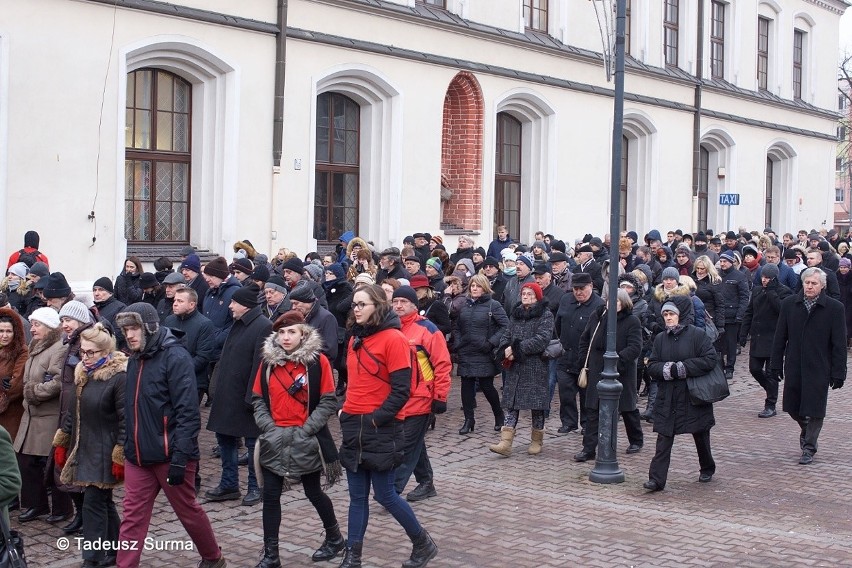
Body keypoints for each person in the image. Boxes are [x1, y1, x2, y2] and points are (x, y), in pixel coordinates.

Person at [114, 302, 226, 568]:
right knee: (132, 517)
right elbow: (131, 410)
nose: (129, 335)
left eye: (134, 328)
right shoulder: (134, 360)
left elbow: (188, 413)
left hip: (170, 454)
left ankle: (213, 557)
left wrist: (180, 458)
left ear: (149, 327)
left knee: (187, 510)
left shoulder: (175, 358)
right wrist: (126, 444)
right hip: (138, 456)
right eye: (126, 329)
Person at [337, 284, 437, 568]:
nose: (355, 309)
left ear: (378, 307)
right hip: (353, 424)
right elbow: (355, 381)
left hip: (380, 426)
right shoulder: (355, 337)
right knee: (357, 496)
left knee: (385, 495)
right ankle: (352, 556)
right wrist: (346, 408)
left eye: (362, 304)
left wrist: (377, 418)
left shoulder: (394, 339)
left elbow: (401, 390)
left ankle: (423, 542)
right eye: (354, 304)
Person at [251, 310, 343, 567]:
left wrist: (306, 430)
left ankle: (335, 537)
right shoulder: (267, 363)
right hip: (274, 438)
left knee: (313, 492)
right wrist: (268, 427)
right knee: (270, 496)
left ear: (303, 333)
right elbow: (258, 399)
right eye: (281, 332)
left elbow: (327, 401)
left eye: (291, 332)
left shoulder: (318, 362)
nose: (286, 337)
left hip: (306, 439)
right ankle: (271, 555)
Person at [52, 323, 126, 568]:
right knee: (103, 502)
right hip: (84, 447)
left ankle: (91, 558)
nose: (84, 357)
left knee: (94, 503)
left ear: (105, 351)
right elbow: (73, 410)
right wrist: (63, 438)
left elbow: (126, 419)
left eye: (91, 352)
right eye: (82, 352)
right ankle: (116, 549)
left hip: (106, 449)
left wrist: (119, 453)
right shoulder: (83, 372)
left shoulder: (119, 377)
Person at [770, 268, 847, 465]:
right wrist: (775, 364)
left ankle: (809, 447)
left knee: (815, 408)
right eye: (807, 283)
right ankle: (806, 430)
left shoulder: (835, 308)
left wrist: (839, 372)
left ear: (822, 286)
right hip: (795, 364)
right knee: (792, 406)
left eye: (814, 283)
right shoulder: (789, 304)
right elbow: (780, 337)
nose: (810, 286)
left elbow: (839, 344)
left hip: (820, 365)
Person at [205, 286, 271, 507]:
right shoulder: (239, 324)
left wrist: (252, 397)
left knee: (253, 445)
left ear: (246, 305)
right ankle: (229, 484)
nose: (230, 306)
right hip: (227, 394)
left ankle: (255, 487)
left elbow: (260, 365)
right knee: (225, 440)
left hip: (246, 397)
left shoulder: (263, 326)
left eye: (234, 302)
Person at [643, 302, 718, 492]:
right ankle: (656, 479)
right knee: (664, 438)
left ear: (681, 315)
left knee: (700, 434)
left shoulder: (697, 335)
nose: (668, 318)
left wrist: (683, 368)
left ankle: (707, 467)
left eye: (672, 314)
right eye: (665, 314)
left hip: (693, 395)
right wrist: (667, 369)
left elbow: (710, 359)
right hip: (668, 397)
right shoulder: (660, 338)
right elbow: (652, 365)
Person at [391, 286, 451, 501]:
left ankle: (391, 491)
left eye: (403, 302)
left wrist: (440, 396)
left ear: (414, 305)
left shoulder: (428, 329)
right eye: (395, 301)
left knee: (406, 445)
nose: (398, 305)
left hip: (421, 399)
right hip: (397, 399)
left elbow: (442, 364)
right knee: (415, 443)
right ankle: (426, 482)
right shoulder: (390, 328)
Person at [14, 307, 72, 523]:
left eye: (37, 324)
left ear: (49, 327)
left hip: (47, 416)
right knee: (27, 462)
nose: (33, 328)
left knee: (51, 465)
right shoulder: (36, 346)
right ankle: (35, 505)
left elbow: (58, 381)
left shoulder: (58, 348)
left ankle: (62, 509)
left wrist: (33, 392)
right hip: (31, 416)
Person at [574, 289, 644, 462]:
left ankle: (636, 440)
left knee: (627, 409)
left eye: (617, 301)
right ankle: (588, 448)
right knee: (592, 410)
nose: (612, 305)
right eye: (610, 301)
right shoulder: (597, 317)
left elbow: (635, 347)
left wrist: (617, 362)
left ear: (624, 302)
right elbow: (585, 340)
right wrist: (586, 360)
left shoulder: (631, 321)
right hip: (597, 369)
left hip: (621, 371)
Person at [489, 282, 553, 457]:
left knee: (536, 405)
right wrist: (505, 349)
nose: (525, 296)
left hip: (535, 366)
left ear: (537, 297)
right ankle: (506, 442)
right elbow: (506, 334)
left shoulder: (545, 315)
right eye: (524, 293)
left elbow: (542, 339)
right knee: (511, 404)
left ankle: (536, 440)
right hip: (514, 367)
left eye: (530, 294)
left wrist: (516, 349)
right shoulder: (516, 314)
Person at [55, 300, 96, 535]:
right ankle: (80, 515)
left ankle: (86, 517)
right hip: (67, 413)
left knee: (81, 471)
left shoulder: (86, 344)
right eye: (61, 320)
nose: (64, 325)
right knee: (66, 468)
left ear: (80, 321)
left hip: (84, 415)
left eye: (68, 320)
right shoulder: (70, 343)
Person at [454, 275, 508, 435]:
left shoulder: (494, 305)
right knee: (466, 386)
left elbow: (505, 326)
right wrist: (458, 343)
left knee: (487, 386)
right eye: (472, 286)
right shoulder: (465, 305)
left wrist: (491, 342)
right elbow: (457, 327)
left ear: (485, 287)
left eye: (478, 286)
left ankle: (499, 415)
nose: (475, 289)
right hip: (466, 351)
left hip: (484, 352)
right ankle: (468, 419)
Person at [739, 263, 793, 418]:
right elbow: (749, 312)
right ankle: (771, 390)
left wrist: (771, 292)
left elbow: (782, 309)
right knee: (754, 369)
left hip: (774, 338)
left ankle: (770, 404)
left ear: (775, 278)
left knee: (771, 373)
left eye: (768, 278)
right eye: (763, 276)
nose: (764, 280)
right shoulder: (756, 290)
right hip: (757, 336)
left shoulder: (784, 291)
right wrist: (743, 333)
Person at [555, 272, 604, 434]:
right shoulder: (565, 300)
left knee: (586, 393)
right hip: (565, 355)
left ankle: (586, 423)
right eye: (575, 289)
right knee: (565, 392)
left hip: (587, 359)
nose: (578, 292)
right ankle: (568, 422)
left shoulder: (599, 305)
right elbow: (558, 325)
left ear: (591, 286)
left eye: (582, 288)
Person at [164, 288, 216, 404]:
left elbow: (203, 356)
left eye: (180, 301)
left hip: (193, 381)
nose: (175, 304)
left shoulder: (204, 324)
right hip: (169, 379)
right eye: (174, 301)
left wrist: (179, 370)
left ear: (192, 304)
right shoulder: (169, 321)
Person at [0, 308, 28, 443]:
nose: (4, 335)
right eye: (1, 331)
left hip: (10, 415)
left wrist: (5, 390)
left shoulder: (21, 351)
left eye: (8, 331)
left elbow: (16, 386)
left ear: (15, 332)